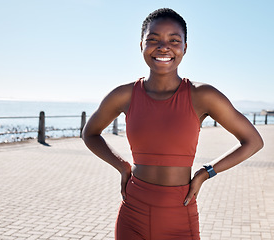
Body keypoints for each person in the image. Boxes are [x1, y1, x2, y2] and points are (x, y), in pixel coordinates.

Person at [82, 8, 264, 240]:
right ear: (141, 45)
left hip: (179, 214)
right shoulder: (124, 95)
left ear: (185, 48)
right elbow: (90, 133)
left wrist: (205, 173)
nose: (163, 47)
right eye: (153, 39)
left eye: (174, 40)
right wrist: (122, 166)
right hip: (132, 211)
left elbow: (253, 141)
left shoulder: (203, 95)